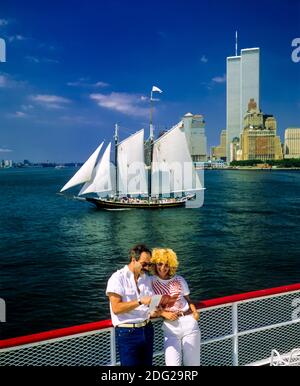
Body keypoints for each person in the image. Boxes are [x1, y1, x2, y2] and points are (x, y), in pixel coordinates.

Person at [151, 248, 201, 366]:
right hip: (170, 327)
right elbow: (151, 308)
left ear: (171, 266)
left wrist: (195, 312)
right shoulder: (151, 282)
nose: (163, 268)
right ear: (155, 264)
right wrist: (164, 314)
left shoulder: (179, 280)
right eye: (160, 264)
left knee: (192, 364)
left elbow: (189, 300)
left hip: (188, 323)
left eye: (167, 265)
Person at [106, 244, 154, 366]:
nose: (147, 268)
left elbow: (149, 305)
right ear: (134, 260)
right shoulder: (117, 278)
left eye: (149, 264)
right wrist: (140, 301)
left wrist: (156, 309)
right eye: (144, 264)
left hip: (147, 329)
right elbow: (116, 308)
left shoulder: (146, 279)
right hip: (127, 332)